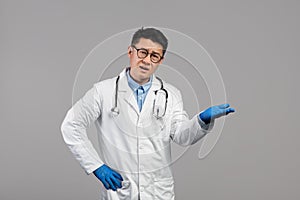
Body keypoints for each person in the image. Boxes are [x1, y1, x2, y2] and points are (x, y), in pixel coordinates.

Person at [61, 27, 235, 200]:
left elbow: (182, 136)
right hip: (120, 191)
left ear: (160, 60)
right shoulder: (102, 91)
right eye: (142, 52)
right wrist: (97, 166)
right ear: (130, 52)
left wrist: (202, 120)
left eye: (154, 56)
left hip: (158, 192)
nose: (146, 60)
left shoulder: (171, 94)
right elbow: (71, 125)